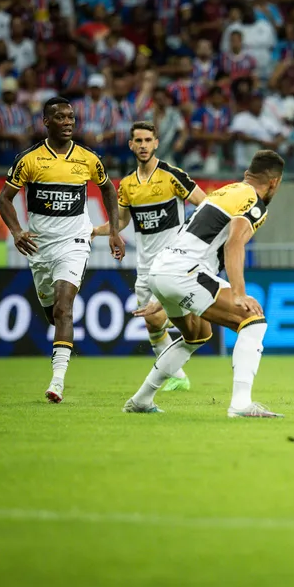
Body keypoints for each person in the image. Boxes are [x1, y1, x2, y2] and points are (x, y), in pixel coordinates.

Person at [123, 150, 286, 418]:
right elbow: (235, 242)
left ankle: (141, 400)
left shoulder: (226, 192)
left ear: (247, 175)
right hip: (186, 272)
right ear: (274, 182)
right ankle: (241, 404)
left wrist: (161, 294)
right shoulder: (254, 202)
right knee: (254, 321)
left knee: (197, 335)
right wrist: (238, 293)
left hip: (163, 269)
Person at [0, 96, 125, 403]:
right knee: (52, 311)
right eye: (61, 118)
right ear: (46, 121)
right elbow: (4, 199)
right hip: (39, 246)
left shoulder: (88, 158)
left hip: (75, 241)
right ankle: (63, 349)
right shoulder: (28, 160)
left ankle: (57, 382)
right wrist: (16, 231)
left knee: (63, 306)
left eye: (71, 117)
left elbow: (108, 188)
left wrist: (114, 230)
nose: (68, 122)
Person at [91, 121, 207, 394]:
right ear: (131, 145)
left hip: (176, 264)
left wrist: (192, 241)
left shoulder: (172, 175)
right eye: (138, 141)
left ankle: (178, 362)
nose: (143, 145)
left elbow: (206, 206)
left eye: (147, 140)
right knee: (153, 322)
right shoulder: (128, 185)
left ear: (156, 143)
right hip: (146, 268)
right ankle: (177, 375)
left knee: (184, 324)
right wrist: (94, 231)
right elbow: (119, 223)